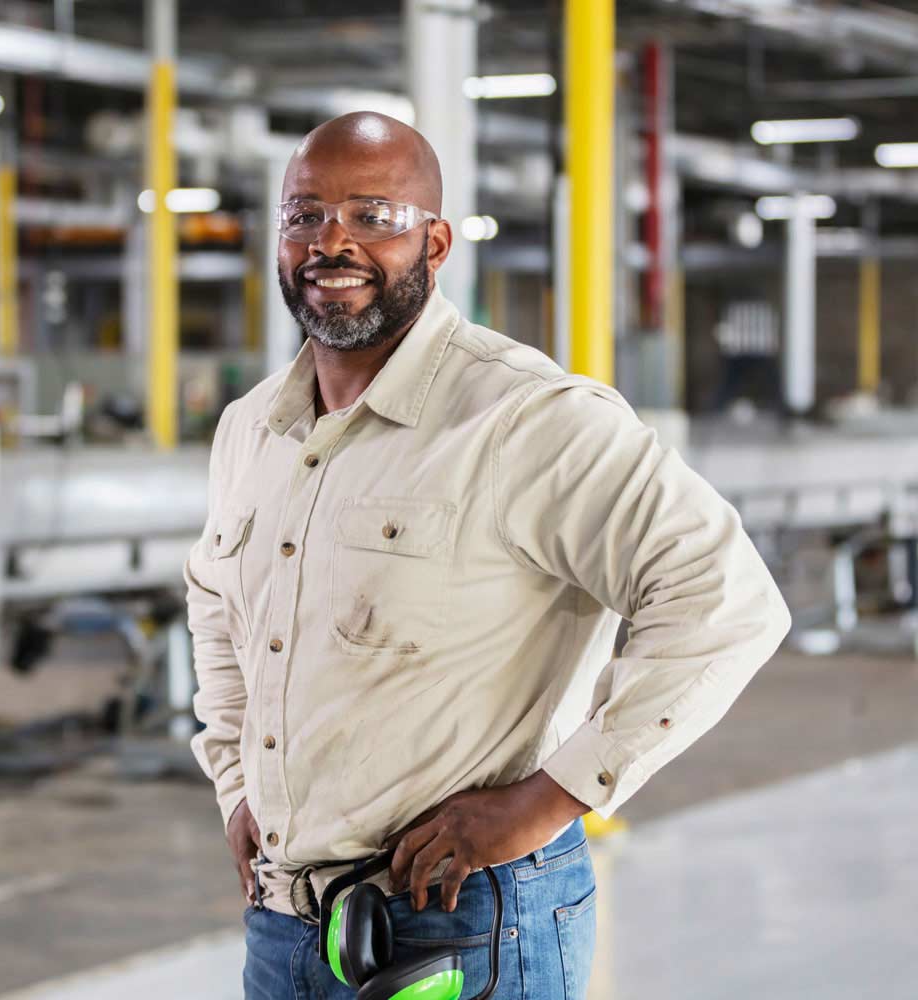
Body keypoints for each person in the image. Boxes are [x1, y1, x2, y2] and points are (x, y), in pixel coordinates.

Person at [184, 112, 791, 1000]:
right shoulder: (253, 428)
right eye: (305, 215)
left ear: (434, 243)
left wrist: (548, 800)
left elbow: (725, 597)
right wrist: (236, 782)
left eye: (373, 215)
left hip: (465, 922)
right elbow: (216, 605)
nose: (332, 242)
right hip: (285, 922)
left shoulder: (525, 419)